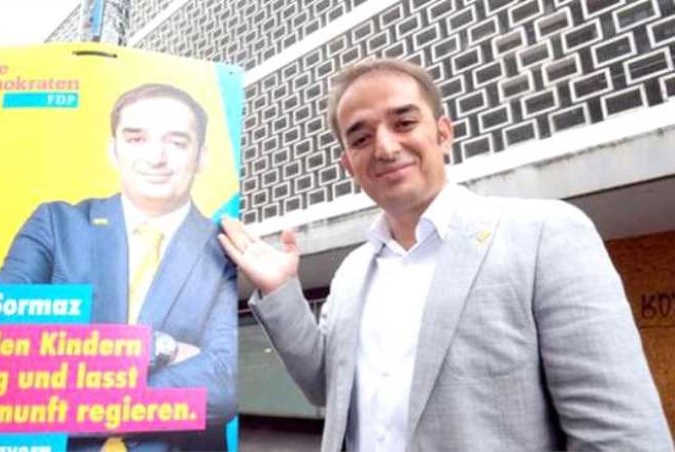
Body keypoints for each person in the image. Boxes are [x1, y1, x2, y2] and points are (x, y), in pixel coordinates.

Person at [219, 59, 672, 451]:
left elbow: (620, 436)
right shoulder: (352, 273)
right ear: (349, 165)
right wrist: (280, 291)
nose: (385, 147)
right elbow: (327, 388)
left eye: (403, 123)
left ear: (443, 133)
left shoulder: (545, 236)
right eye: (360, 138)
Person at [0, 83, 236, 450]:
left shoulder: (228, 250)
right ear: (114, 150)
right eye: (136, 139)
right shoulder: (56, 226)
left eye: (176, 142)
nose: (155, 158)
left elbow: (224, 382)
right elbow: (0, 347)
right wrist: (158, 348)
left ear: (201, 157)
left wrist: (67, 392)